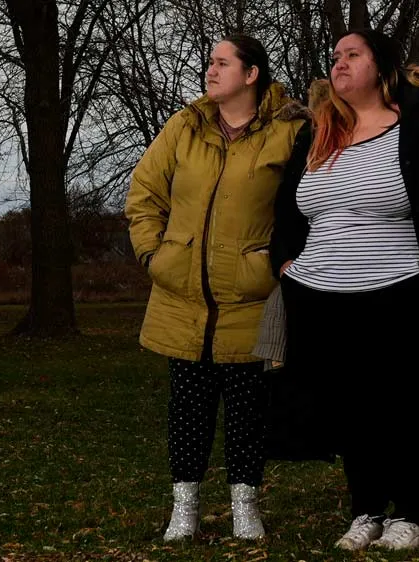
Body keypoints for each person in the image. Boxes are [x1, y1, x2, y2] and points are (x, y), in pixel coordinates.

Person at [269, 29, 419, 551]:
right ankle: (366, 511)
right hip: (319, 294)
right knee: (349, 406)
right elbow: (288, 208)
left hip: (399, 288)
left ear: (381, 68)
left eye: (352, 55)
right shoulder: (318, 132)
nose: (339, 63)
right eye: (335, 56)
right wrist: (287, 263)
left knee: (404, 404)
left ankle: (410, 515)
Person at [125, 34, 306, 541]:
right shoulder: (184, 126)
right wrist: (154, 255)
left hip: (250, 296)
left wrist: (275, 264)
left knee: (248, 411)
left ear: (251, 74)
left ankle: (245, 508)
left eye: (222, 63)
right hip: (182, 295)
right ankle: (184, 510)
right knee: (188, 409)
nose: (210, 70)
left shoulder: (289, 132)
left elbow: (305, 205)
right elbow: (144, 193)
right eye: (210, 62)